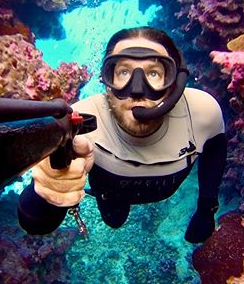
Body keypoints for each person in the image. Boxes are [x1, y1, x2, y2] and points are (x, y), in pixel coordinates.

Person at [18, 26, 226, 243]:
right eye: (123, 73)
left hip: (161, 191)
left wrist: (206, 208)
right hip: (111, 196)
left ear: (174, 83)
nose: (137, 90)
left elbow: (215, 151)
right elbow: (34, 223)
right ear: (106, 81)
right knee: (114, 221)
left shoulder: (201, 111)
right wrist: (48, 191)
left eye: (154, 73)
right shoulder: (81, 123)